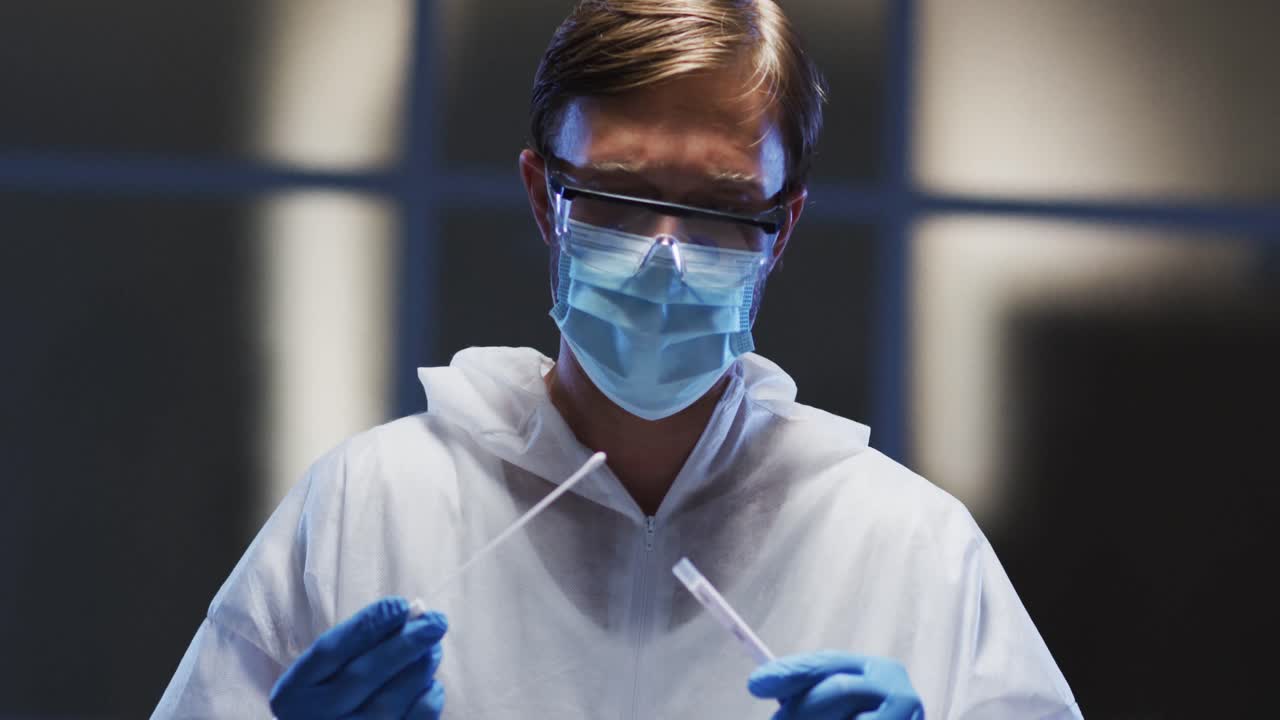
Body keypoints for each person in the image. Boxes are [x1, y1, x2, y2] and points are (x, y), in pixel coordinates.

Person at [154, 1, 1081, 718]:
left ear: (782, 227)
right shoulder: (371, 510)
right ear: (541, 194)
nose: (665, 251)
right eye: (620, 196)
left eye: (719, 206)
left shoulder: (909, 551)